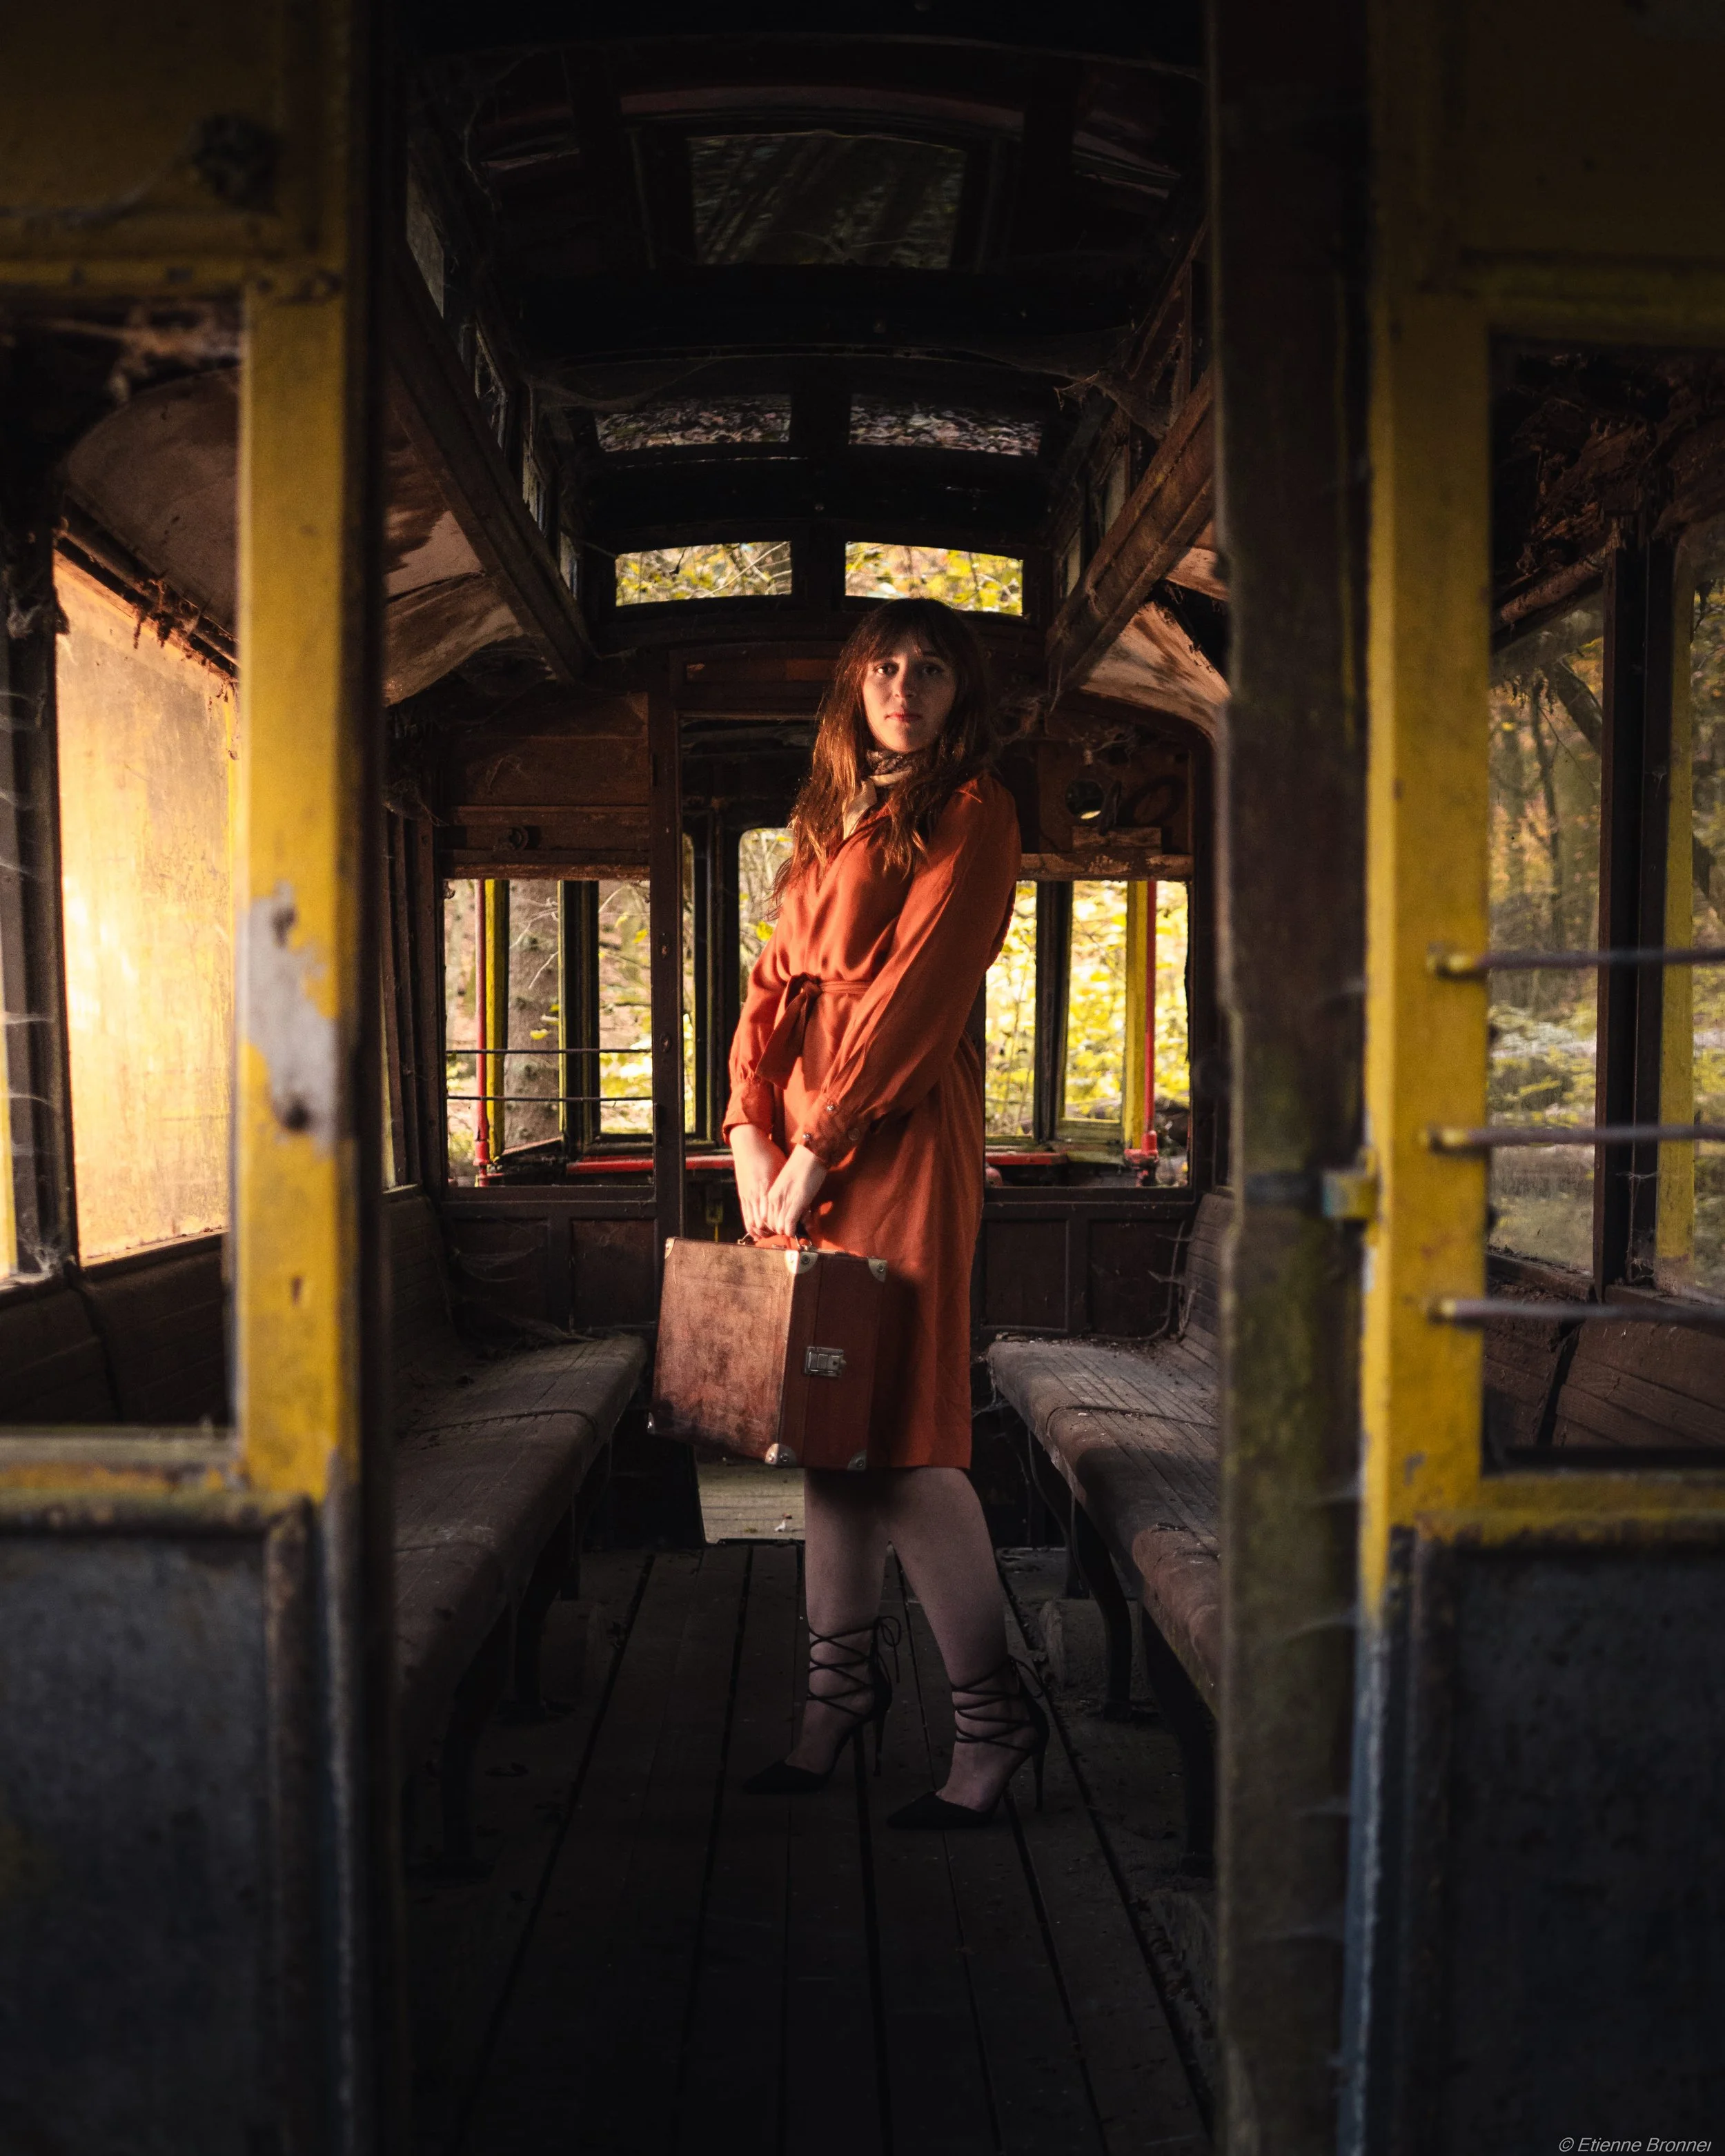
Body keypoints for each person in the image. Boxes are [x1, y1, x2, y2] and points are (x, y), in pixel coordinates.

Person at [724, 595, 1047, 1827]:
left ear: (961, 693)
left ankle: (992, 1720)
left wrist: (817, 1146)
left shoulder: (972, 809)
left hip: (894, 1138)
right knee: (828, 1428)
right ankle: (836, 1700)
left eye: (930, 669)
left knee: (904, 1433)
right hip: (800, 1142)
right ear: (855, 690)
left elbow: (916, 996)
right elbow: (769, 986)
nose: (904, 687)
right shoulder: (829, 822)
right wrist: (748, 1129)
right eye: (884, 668)